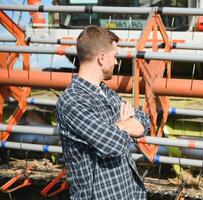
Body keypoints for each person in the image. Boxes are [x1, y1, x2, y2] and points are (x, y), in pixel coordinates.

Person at [56, 25, 151, 199]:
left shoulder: (105, 92)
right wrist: (125, 124)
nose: (116, 62)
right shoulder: (72, 101)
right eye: (114, 56)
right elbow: (113, 146)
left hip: (129, 192)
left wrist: (117, 127)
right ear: (101, 58)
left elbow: (144, 121)